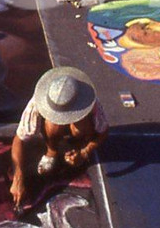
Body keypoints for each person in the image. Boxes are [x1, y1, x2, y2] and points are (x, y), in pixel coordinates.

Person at [10, 67, 109, 210]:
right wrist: (18, 177)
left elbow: (103, 131)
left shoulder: (89, 101)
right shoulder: (37, 103)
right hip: (52, 132)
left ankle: (78, 148)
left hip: (81, 134)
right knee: (52, 125)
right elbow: (19, 139)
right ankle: (52, 152)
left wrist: (85, 152)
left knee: (80, 127)